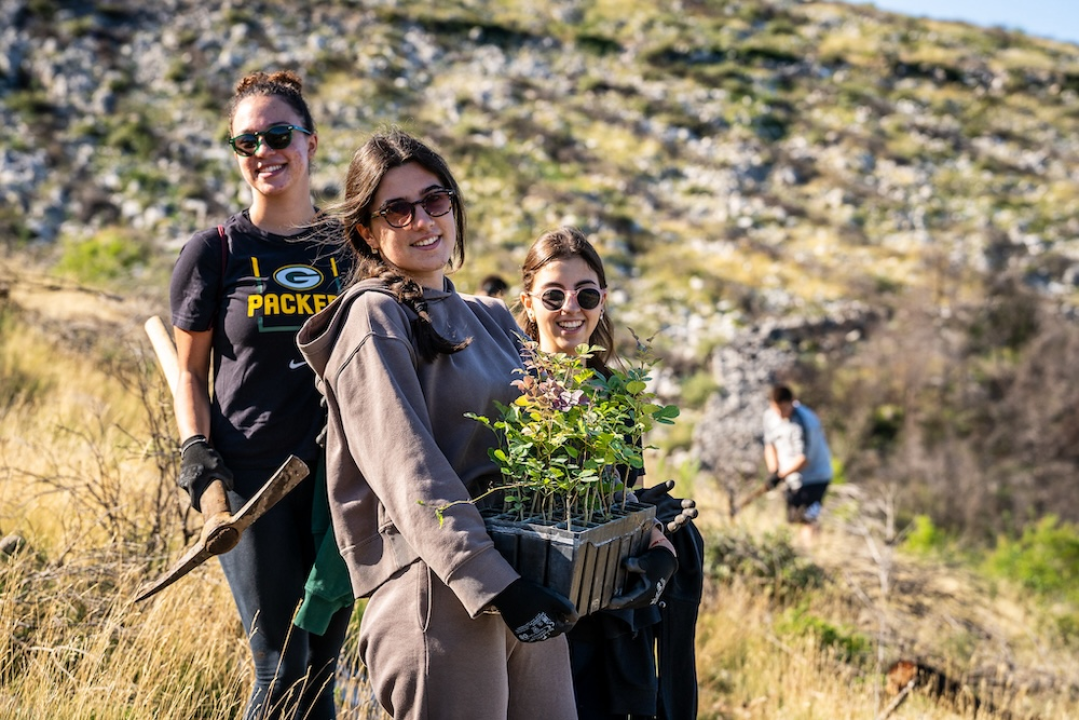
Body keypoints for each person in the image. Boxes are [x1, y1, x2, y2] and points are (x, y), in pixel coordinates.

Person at [295, 129, 580, 720]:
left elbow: (554, 437)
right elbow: (409, 471)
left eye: (434, 200)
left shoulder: (491, 316)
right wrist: (493, 583)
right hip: (439, 591)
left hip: (524, 580)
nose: (421, 220)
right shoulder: (374, 318)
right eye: (396, 209)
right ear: (366, 232)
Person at [169, 70, 353, 720]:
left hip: (338, 488)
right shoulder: (215, 251)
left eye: (277, 134)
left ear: (310, 142)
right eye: (246, 141)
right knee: (280, 669)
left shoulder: (348, 250)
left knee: (321, 675)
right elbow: (189, 371)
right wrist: (195, 450)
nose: (262, 151)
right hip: (251, 484)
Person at [518, 226, 705, 720]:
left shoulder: (615, 392)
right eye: (553, 295)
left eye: (585, 293)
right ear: (529, 301)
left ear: (603, 300)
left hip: (607, 610)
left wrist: (658, 539)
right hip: (529, 612)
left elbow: (622, 495)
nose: (570, 308)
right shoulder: (507, 386)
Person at [762, 383, 833, 546]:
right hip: (791, 477)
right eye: (776, 409)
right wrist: (774, 472)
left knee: (808, 517)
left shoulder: (807, 422)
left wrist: (780, 476)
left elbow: (804, 459)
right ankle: (802, 551)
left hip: (815, 476)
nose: (780, 414)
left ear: (792, 402)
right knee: (794, 518)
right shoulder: (769, 417)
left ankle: (812, 554)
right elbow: (769, 445)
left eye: (784, 409)